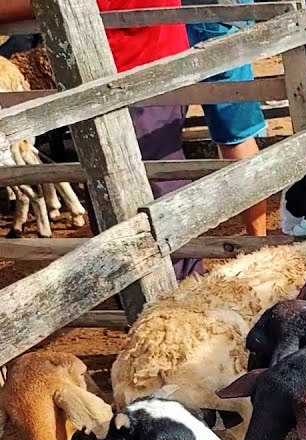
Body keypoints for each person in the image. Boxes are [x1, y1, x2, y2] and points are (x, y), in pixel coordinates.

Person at [0, 0, 203, 278]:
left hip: (130, 72)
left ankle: (176, 289)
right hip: (133, 67)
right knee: (122, 182)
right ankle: (152, 286)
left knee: (145, 181)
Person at [185, 0, 267, 237]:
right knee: (233, 131)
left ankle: (256, 237)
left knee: (234, 133)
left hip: (205, 16)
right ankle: (256, 236)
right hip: (218, 17)